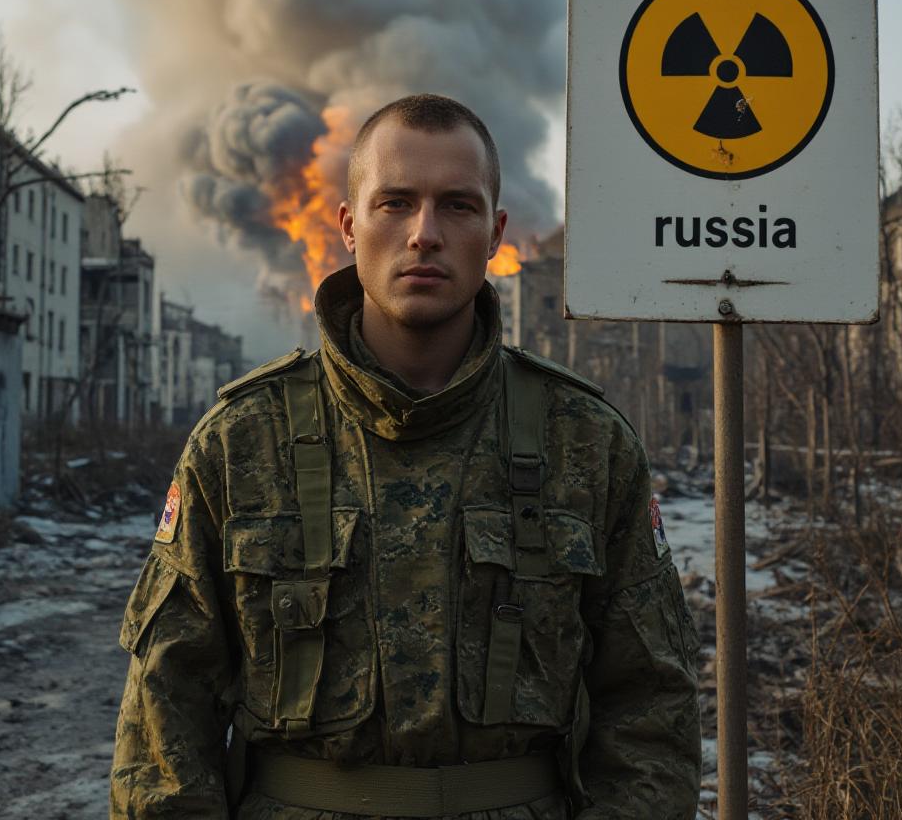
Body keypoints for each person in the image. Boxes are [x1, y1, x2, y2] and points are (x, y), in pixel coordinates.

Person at [110, 93, 702, 820]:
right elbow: (166, 720)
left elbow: (649, 706)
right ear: (350, 225)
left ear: (495, 232)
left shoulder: (584, 441)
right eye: (395, 203)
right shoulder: (241, 441)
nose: (424, 234)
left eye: (457, 205)